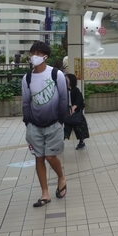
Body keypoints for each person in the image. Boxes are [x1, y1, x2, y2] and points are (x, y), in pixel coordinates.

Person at [22, 41, 68, 207]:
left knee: (50, 156)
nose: (34, 56)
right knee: (39, 158)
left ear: (45, 56)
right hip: (34, 125)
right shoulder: (27, 78)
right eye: (32, 53)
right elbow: (26, 102)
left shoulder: (56, 75)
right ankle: (45, 193)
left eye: (38, 53)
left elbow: (63, 99)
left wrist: (61, 120)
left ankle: (61, 177)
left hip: (54, 123)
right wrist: (27, 121)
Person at [64, 73, 88, 149]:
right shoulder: (64, 90)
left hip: (76, 112)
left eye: (66, 78)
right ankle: (59, 142)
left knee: (78, 128)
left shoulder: (76, 90)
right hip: (67, 111)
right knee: (66, 128)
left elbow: (78, 100)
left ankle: (81, 142)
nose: (65, 80)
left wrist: (74, 108)